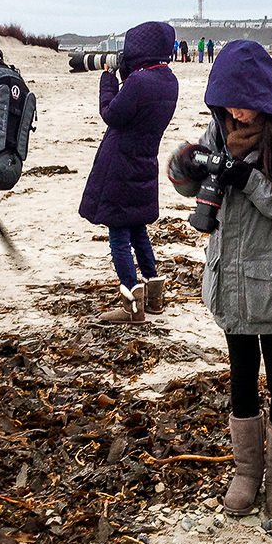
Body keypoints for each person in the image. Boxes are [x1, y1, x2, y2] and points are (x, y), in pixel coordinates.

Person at [167, 40, 272, 525]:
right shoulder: (220, 128)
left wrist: (252, 183)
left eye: (243, 102)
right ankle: (247, 471)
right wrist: (183, 171)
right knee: (240, 377)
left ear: (264, 93)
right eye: (226, 103)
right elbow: (201, 185)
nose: (236, 113)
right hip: (234, 279)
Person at [79, 22, 179, 323]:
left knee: (119, 235)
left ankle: (132, 305)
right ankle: (154, 296)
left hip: (119, 164)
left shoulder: (139, 83)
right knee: (138, 229)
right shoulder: (167, 80)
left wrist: (108, 83)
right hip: (145, 161)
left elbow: (112, 114)